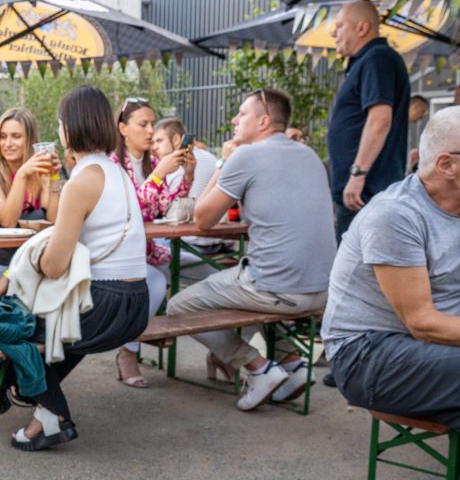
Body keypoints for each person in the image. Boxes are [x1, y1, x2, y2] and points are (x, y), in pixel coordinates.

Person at [0, 85, 150, 451]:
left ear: (69, 128)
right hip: (136, 304)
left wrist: (18, 272)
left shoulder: (83, 180)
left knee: (5, 324)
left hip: (105, 306)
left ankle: (46, 405)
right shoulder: (116, 172)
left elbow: (55, 264)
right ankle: (44, 414)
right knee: (55, 328)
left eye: (61, 123)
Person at [166, 88, 336, 411]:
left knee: (178, 307)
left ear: (263, 121)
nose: (234, 118)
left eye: (241, 113)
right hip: (323, 290)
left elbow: (202, 218)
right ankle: (291, 363)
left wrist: (225, 160)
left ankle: (256, 367)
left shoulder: (246, 156)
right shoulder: (309, 155)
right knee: (253, 278)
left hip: (278, 289)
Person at [322, 106, 460, 429]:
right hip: (365, 356)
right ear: (447, 165)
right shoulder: (395, 215)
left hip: (428, 347)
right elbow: (422, 323)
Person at [110, 102, 197, 388]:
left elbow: (164, 208)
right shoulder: (111, 164)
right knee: (157, 282)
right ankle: (128, 351)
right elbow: (130, 208)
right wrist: (159, 173)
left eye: (152, 124)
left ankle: (151, 332)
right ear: (122, 129)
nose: (150, 131)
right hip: (116, 252)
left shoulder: (146, 162)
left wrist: (186, 177)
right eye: (142, 124)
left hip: (145, 249)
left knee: (185, 271)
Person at [328, 0, 410, 243]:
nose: (334, 32)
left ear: (362, 28)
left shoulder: (376, 58)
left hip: (366, 190)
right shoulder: (369, 60)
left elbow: (379, 119)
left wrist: (358, 174)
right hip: (363, 189)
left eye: (340, 25)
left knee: (354, 275)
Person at [0, 107, 60, 285]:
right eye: (3, 137)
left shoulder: (40, 172)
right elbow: (8, 221)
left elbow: (52, 220)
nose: (8, 143)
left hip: (33, 259)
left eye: (16, 136)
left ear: (30, 140)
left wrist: (54, 177)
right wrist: (21, 175)